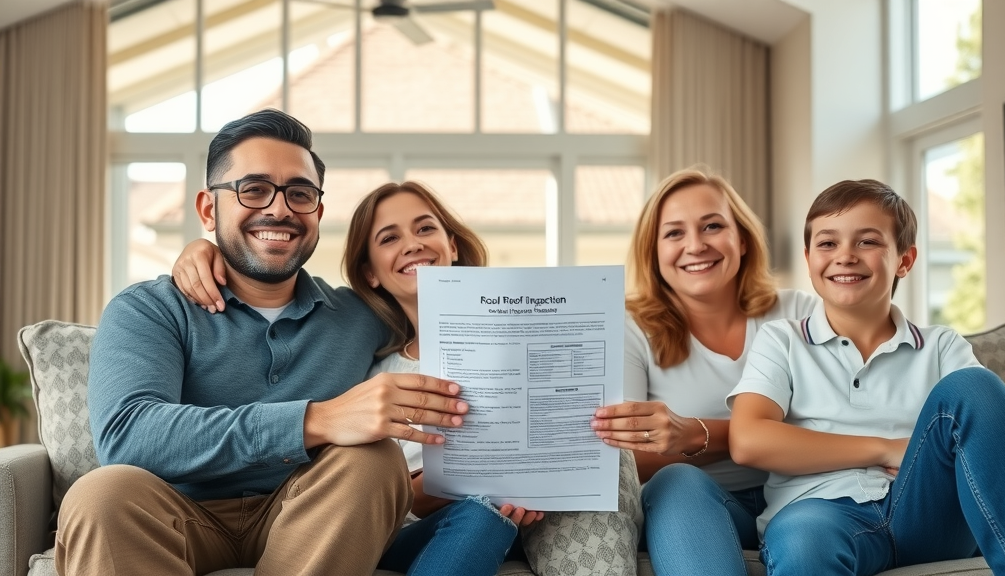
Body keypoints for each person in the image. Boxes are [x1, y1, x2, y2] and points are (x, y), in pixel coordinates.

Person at [57, 109, 472, 576]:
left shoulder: (361, 315)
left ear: (317, 212)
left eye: (299, 194)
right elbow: (128, 436)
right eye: (253, 190)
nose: (279, 209)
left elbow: (438, 304)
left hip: (311, 516)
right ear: (209, 210)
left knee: (373, 460)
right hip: (175, 515)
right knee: (101, 495)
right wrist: (317, 419)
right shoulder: (149, 309)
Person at [174, 180, 644, 576]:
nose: (413, 244)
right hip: (399, 529)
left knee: (490, 515)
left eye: (425, 228)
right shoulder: (370, 364)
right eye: (389, 238)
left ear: (452, 246)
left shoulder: (528, 336)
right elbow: (364, 490)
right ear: (370, 273)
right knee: (480, 514)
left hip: (518, 516)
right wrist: (200, 249)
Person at [728, 179, 1005, 576]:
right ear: (808, 257)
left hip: (929, 512)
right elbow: (748, 440)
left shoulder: (940, 346)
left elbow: (992, 426)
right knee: (803, 542)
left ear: (904, 259)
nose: (845, 256)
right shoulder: (781, 340)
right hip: (819, 514)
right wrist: (884, 448)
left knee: (976, 387)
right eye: (828, 243)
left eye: (867, 242)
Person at [588, 167, 818, 575]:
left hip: (804, 497)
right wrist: (764, 435)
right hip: (698, 507)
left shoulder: (799, 312)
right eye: (674, 233)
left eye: (712, 226)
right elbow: (626, 459)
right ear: (653, 251)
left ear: (742, 239)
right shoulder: (627, 326)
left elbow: (837, 419)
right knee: (676, 479)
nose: (695, 245)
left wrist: (695, 434)